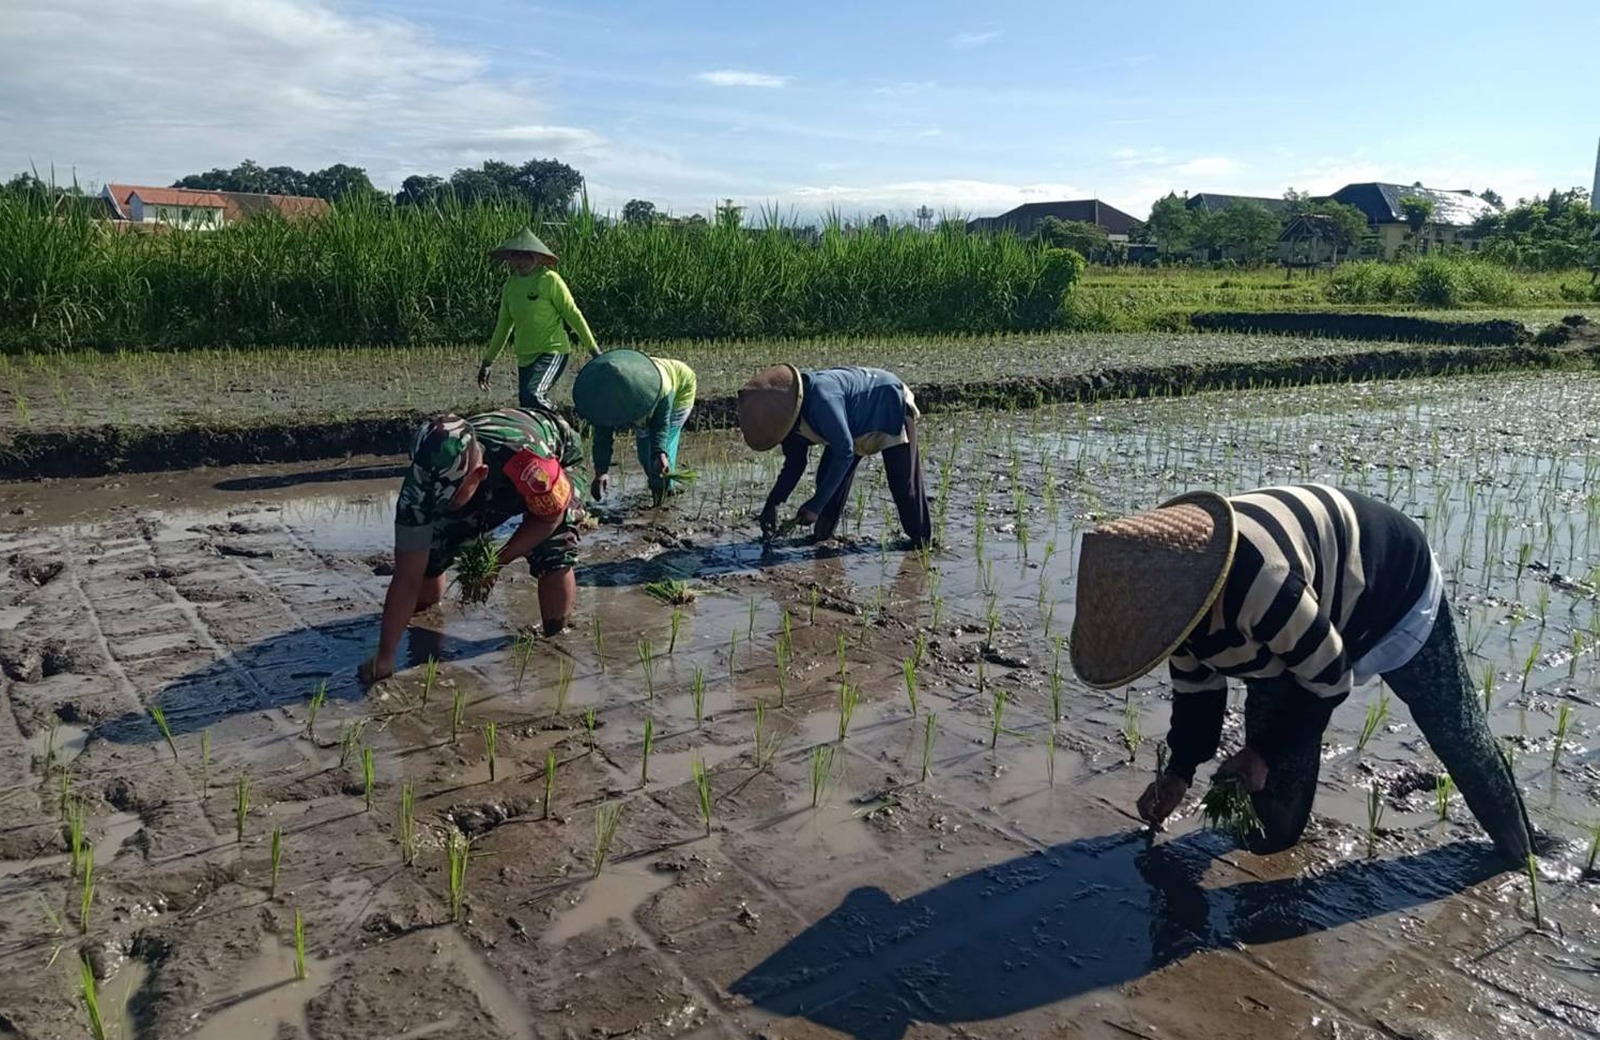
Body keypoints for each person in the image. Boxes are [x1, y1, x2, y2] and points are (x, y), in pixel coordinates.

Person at [1069, 483, 1533, 867]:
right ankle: (1276, 841)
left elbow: (1329, 677)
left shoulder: (1260, 585)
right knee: (1272, 815)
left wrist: (1261, 751)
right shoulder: (1173, 611)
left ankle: (1523, 852)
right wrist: (1179, 773)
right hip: (1302, 615)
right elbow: (1197, 696)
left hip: (1391, 587)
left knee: (1455, 730)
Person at [358, 407, 587, 684]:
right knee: (433, 548)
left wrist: (497, 562)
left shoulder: (531, 466)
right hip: (492, 476)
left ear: (480, 474)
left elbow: (549, 517)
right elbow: (406, 576)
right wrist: (385, 655)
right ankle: (428, 613)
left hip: (554, 456)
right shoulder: (420, 484)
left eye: (450, 496)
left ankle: (556, 634)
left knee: (553, 549)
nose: (442, 503)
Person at [736, 365, 931, 548]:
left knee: (904, 485)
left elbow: (844, 453)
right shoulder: (786, 425)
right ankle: (822, 537)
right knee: (827, 478)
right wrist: (773, 503)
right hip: (850, 425)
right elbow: (795, 465)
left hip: (888, 403)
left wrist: (815, 504)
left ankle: (921, 543)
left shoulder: (822, 400)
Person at [476, 228, 600, 410]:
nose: (519, 261)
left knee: (533, 395)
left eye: (524, 256)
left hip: (552, 351)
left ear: (535, 256)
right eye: (514, 256)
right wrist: (487, 362)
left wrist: (593, 350)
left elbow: (573, 314)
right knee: (528, 405)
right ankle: (549, 435)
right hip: (525, 357)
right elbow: (503, 327)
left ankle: (563, 422)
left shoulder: (550, 280)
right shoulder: (511, 286)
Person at [571, 348, 697, 503]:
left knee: (659, 459)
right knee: (644, 455)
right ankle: (659, 485)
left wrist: (660, 453)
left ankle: (664, 492)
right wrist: (601, 472)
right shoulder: (605, 397)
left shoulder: (661, 387)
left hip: (679, 390)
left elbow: (661, 425)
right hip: (642, 396)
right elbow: (602, 435)